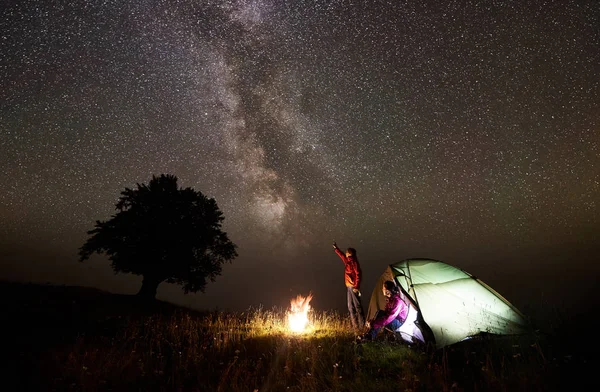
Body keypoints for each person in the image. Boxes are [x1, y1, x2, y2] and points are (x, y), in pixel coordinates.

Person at [332, 241, 365, 331]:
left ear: (350, 253)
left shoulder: (354, 263)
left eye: (347, 252)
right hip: (349, 287)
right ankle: (355, 328)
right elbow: (342, 256)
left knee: (357, 306)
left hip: (353, 287)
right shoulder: (348, 261)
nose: (345, 253)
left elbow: (358, 274)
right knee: (350, 307)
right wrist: (336, 249)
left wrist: (356, 286)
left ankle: (362, 327)